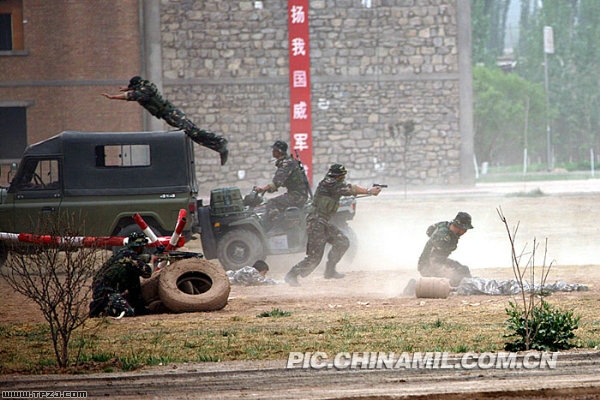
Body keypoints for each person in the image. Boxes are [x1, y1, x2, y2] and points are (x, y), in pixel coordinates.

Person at [284, 164, 382, 286]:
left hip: (323, 222)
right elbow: (349, 189)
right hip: (316, 222)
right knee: (314, 257)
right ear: (339, 176)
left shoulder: (332, 183)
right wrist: (369, 191)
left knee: (342, 242)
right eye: (342, 176)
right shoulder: (329, 183)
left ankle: (330, 270)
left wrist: (369, 191)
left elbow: (347, 189)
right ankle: (292, 275)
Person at [102, 76, 229, 165]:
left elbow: (133, 95)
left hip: (171, 113)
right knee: (193, 135)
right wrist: (128, 88)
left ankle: (220, 141)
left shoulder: (146, 89)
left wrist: (114, 97)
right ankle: (219, 147)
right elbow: (134, 91)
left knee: (193, 132)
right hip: (168, 114)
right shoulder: (145, 87)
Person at [89, 232, 153, 318]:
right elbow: (147, 273)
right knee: (127, 312)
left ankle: (140, 307)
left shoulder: (123, 253)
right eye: (142, 246)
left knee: (133, 275)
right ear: (139, 247)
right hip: (106, 291)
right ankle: (98, 306)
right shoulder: (129, 256)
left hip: (103, 288)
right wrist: (152, 261)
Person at [253, 140, 310, 229]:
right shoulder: (288, 162)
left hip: (297, 195)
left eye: (274, 150)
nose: (272, 152)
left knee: (272, 203)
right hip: (297, 194)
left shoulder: (286, 163)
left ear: (279, 151)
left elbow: (277, 182)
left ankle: (278, 226)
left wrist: (262, 189)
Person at [417, 212, 473, 287]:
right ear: (459, 227)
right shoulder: (443, 238)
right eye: (465, 229)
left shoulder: (446, 225)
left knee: (462, 271)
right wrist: (448, 272)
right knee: (459, 275)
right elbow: (434, 260)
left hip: (432, 261)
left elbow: (429, 231)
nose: (465, 232)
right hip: (428, 266)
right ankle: (416, 285)